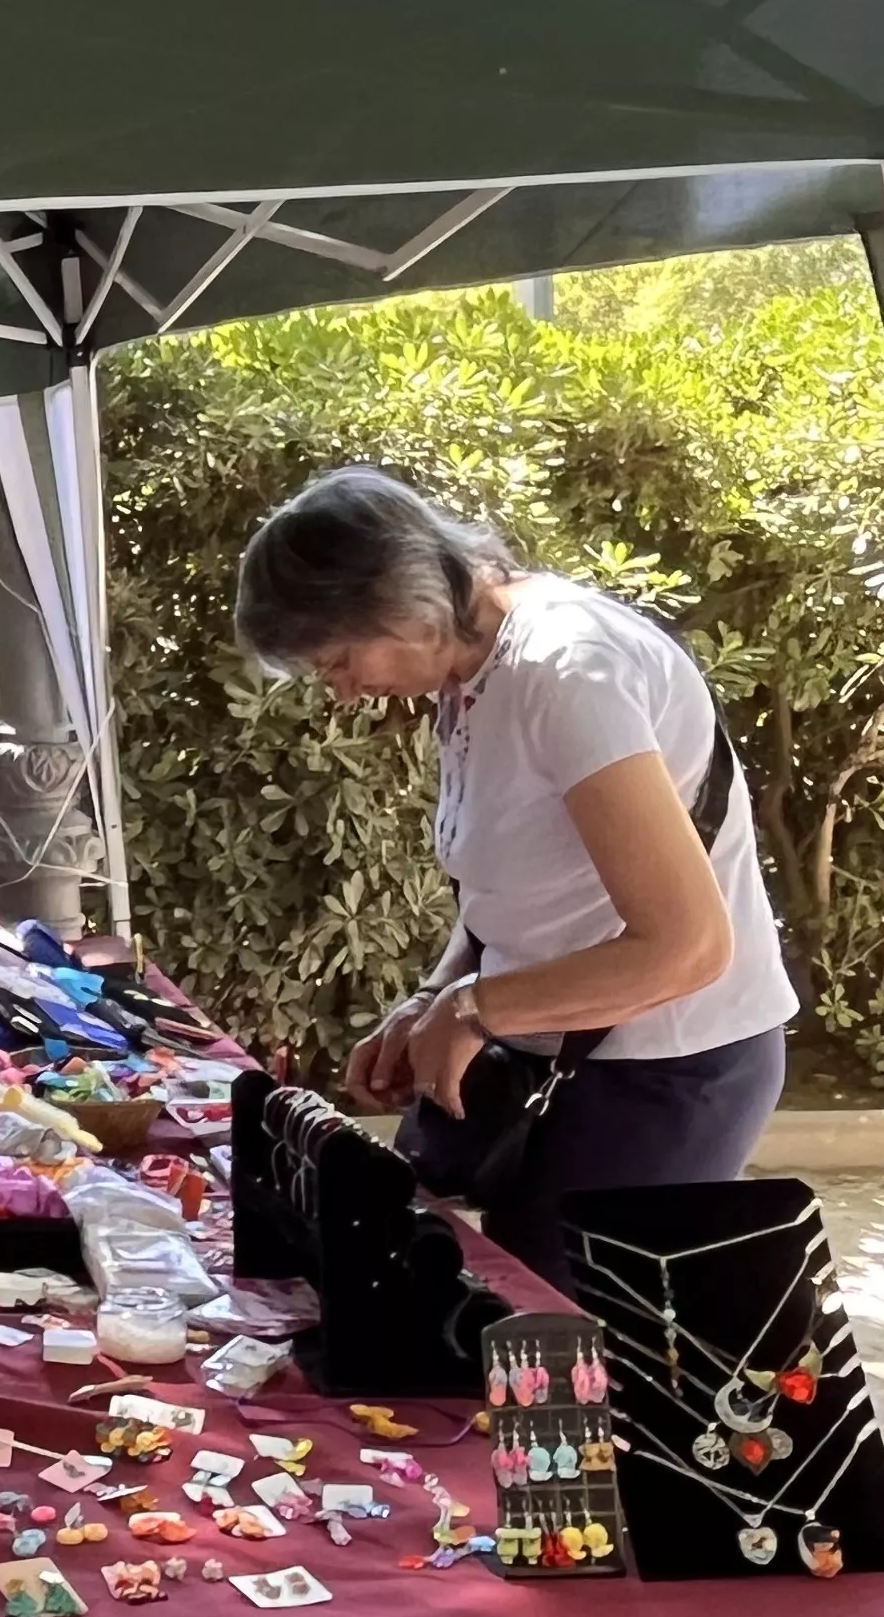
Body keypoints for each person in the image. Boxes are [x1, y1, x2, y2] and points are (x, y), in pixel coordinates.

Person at [232, 464, 798, 1284]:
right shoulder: (469, 673)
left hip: (663, 1069)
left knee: (564, 1368)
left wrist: (476, 1008)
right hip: (569, 1060)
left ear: (402, 604)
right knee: (512, 1337)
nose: (345, 693)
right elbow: (520, 883)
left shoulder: (567, 671)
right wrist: (435, 996)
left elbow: (687, 947)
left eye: (340, 660)